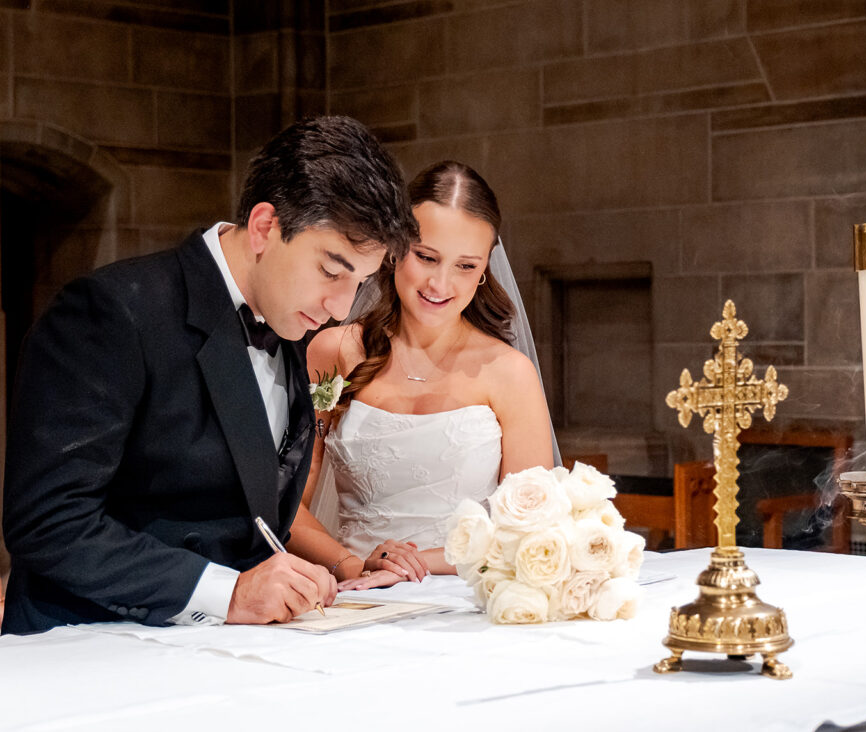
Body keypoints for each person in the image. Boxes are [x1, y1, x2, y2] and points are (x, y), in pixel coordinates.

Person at [1, 116, 419, 635]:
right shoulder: (111, 311)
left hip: (229, 648)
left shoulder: (288, 320)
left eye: (358, 283)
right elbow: (48, 522)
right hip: (94, 644)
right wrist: (229, 593)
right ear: (266, 226)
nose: (340, 307)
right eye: (331, 272)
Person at [287, 161, 556, 590]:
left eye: (466, 266)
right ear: (394, 249)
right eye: (427, 257)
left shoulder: (509, 373)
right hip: (353, 594)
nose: (440, 283)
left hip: (465, 598)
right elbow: (288, 504)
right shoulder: (333, 352)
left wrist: (408, 565)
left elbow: (530, 526)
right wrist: (353, 566)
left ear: (486, 267)